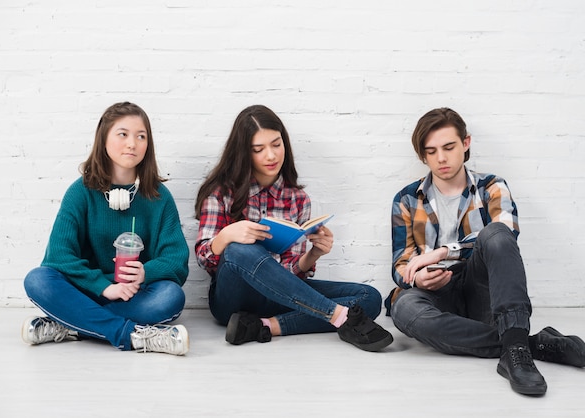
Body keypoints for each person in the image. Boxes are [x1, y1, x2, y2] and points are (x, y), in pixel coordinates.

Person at [386, 107, 585, 395]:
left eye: (449, 147)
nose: (441, 158)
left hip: (481, 290)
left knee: (495, 232)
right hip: (436, 296)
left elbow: (506, 231)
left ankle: (516, 353)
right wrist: (416, 278)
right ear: (423, 155)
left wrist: (443, 252)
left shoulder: (492, 186)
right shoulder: (406, 198)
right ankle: (525, 345)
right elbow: (400, 262)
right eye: (431, 151)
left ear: (465, 143)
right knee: (404, 308)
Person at [194, 104, 393, 352]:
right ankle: (338, 316)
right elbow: (204, 259)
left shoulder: (297, 199)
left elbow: (290, 274)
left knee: (369, 299)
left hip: (279, 296)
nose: (271, 156)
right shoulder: (221, 192)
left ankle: (263, 326)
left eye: (276, 145)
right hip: (232, 300)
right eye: (259, 149)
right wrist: (225, 236)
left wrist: (313, 254)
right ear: (244, 153)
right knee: (239, 250)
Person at [22, 102, 190, 355]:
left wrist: (145, 272)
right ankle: (131, 335)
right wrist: (103, 286)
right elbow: (58, 257)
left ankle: (72, 324)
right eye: (123, 134)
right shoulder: (80, 192)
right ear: (103, 140)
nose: (132, 143)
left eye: (141, 136)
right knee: (38, 280)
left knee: (171, 297)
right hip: (88, 291)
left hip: (133, 295)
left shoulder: (158, 197)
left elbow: (177, 261)